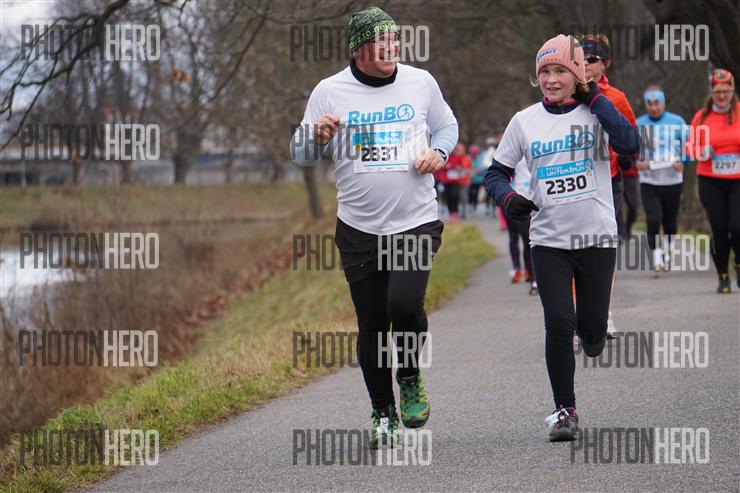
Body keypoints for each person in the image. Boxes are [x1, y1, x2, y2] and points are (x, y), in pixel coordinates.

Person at [290, 6, 458, 448]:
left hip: (415, 220)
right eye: (380, 41)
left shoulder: (420, 82)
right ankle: (382, 410)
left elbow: (446, 126)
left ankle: (409, 376)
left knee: (404, 305)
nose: (390, 48)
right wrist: (316, 138)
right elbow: (301, 154)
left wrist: (439, 153)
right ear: (358, 49)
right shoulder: (329, 91)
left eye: (394, 40)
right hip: (359, 227)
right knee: (372, 322)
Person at [485, 34, 640, 441]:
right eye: (545, 72)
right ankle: (564, 410)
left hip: (597, 238)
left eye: (560, 71)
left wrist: (595, 98)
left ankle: (592, 337)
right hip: (548, 241)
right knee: (558, 322)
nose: (551, 80)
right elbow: (495, 174)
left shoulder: (598, 112)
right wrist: (509, 198)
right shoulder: (524, 121)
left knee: (591, 333)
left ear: (577, 75)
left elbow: (630, 145)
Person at [581, 33, 638, 338]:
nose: (586, 65)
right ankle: (578, 311)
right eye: (581, 59)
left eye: (592, 60)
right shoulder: (567, 93)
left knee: (603, 248)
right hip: (575, 181)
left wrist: (627, 156)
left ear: (605, 63)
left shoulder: (616, 97)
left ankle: (603, 312)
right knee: (576, 247)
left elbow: (632, 134)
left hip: (609, 180)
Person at [686, 68, 740, 293]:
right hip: (710, 180)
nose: (722, 96)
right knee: (719, 228)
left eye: (726, 91)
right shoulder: (702, 117)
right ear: (711, 92)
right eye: (717, 91)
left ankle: (738, 265)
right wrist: (701, 152)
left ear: (732, 91)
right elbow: (689, 148)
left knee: (737, 227)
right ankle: (723, 275)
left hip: (737, 180)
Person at [635, 86, 688, 276]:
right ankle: (657, 259)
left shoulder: (677, 122)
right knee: (653, 219)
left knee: (669, 222)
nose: (653, 107)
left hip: (673, 180)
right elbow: (632, 149)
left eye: (657, 103)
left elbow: (688, 147)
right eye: (649, 103)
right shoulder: (639, 124)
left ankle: (668, 250)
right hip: (649, 181)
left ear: (664, 103)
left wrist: (683, 162)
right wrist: (636, 162)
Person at [504, 158, 537, 294]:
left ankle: (537, 276)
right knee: (527, 240)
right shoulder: (514, 150)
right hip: (521, 200)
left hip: (541, 198)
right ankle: (532, 279)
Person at [444, 143, 472, 221]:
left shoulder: (465, 158)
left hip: (463, 181)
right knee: (451, 196)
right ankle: (453, 213)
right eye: (457, 149)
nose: (457, 151)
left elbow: (468, 169)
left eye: (459, 149)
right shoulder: (450, 156)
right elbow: (444, 165)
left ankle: (462, 213)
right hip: (451, 180)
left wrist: (460, 168)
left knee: (461, 197)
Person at [468, 144, 486, 213]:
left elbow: (482, 167)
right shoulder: (469, 159)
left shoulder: (480, 158)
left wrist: (479, 171)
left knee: (476, 193)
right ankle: (470, 204)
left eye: (475, 153)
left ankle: (474, 206)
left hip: (478, 180)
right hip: (470, 180)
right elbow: (467, 167)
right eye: (473, 153)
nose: (474, 155)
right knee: (470, 193)